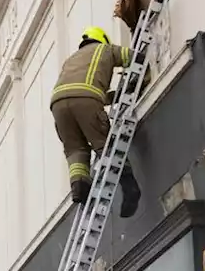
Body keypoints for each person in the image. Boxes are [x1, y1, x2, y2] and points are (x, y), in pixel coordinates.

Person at [50, 25, 143, 218]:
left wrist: (114, 96)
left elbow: (85, 91)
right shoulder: (105, 49)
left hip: (58, 105)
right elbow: (134, 56)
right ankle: (130, 187)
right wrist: (140, 77)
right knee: (104, 145)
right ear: (102, 39)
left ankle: (80, 186)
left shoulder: (70, 60)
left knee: (75, 149)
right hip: (86, 100)